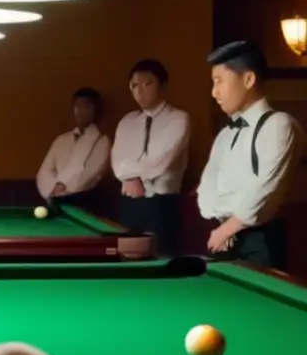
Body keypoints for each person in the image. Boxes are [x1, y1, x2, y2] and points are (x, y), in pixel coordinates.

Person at [196, 40, 304, 271]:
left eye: (219, 81)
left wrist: (229, 227)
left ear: (248, 79)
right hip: (223, 238)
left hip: (259, 241)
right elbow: (208, 182)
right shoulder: (226, 133)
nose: (214, 92)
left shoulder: (279, 124)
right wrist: (220, 221)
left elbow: (264, 188)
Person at [110, 59, 191, 255]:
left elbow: (161, 160)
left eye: (148, 84)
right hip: (129, 203)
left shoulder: (179, 118)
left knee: (162, 258)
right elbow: (117, 158)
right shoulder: (127, 121)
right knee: (126, 258)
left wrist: (136, 177)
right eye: (134, 86)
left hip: (161, 203)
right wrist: (129, 178)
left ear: (163, 86)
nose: (140, 91)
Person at [36, 87, 111, 209]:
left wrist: (64, 187)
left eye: (87, 107)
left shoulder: (102, 141)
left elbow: (90, 174)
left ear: (96, 110)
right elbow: (45, 170)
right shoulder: (61, 140)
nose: (81, 111)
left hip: (82, 201)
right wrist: (52, 188)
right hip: (53, 197)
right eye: (77, 107)